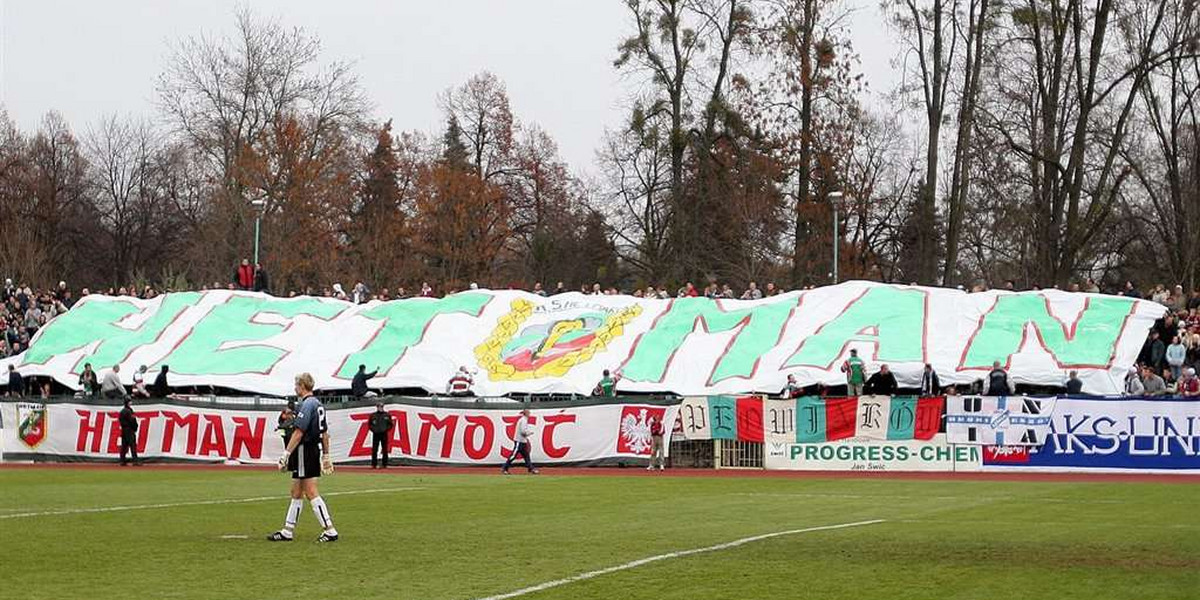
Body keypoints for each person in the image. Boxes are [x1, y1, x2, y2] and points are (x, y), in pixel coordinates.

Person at [269, 373, 338, 543]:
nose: (295, 388)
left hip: (304, 450)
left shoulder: (307, 405)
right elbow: (324, 433)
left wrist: (286, 454)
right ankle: (288, 530)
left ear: (302, 386)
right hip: (312, 449)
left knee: (310, 491)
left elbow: (299, 433)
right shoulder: (318, 404)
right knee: (296, 491)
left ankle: (329, 529)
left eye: (296, 384)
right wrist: (326, 455)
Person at [501, 408, 538, 475]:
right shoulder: (523, 420)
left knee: (526, 456)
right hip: (519, 441)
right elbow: (523, 432)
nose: (529, 414)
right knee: (513, 455)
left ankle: (531, 468)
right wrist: (529, 433)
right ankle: (505, 468)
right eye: (529, 413)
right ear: (526, 413)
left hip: (523, 441)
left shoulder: (523, 420)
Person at [368, 402, 394, 469]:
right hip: (376, 434)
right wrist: (374, 430)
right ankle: (374, 464)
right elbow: (369, 424)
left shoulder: (387, 415)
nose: (380, 408)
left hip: (384, 434)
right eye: (379, 406)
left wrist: (386, 429)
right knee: (374, 450)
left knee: (385, 449)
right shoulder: (373, 415)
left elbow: (390, 424)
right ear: (377, 407)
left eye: (382, 406)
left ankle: (384, 464)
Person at [118, 397, 140, 466]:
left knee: (124, 446)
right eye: (130, 401)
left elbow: (121, 421)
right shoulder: (129, 411)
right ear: (128, 403)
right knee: (132, 446)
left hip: (124, 430)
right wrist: (135, 427)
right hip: (130, 430)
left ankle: (122, 461)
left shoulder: (122, 411)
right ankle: (135, 461)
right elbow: (132, 420)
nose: (131, 403)